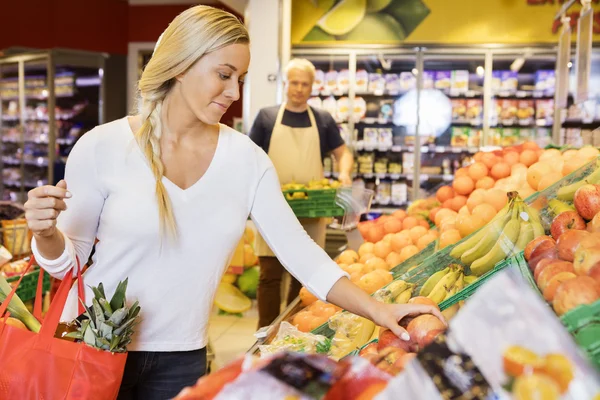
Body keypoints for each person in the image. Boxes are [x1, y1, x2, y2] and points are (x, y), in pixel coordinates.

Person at [24, 6, 444, 400]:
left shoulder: (246, 160)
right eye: (224, 74)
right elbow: (70, 262)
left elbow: (302, 255)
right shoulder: (103, 146)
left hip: (182, 356)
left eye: (240, 78)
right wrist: (45, 235)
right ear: (181, 65)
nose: (234, 91)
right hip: (88, 347)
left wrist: (379, 309)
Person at [249, 59, 354, 328]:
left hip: (311, 209)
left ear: (312, 87)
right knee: (269, 275)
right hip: (271, 207)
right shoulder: (267, 117)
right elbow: (249, 157)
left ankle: (297, 329)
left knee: (305, 276)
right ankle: (266, 332)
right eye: (294, 82)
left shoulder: (322, 120)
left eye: (304, 84)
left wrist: (344, 174)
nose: (298, 88)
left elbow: (343, 153)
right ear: (285, 84)